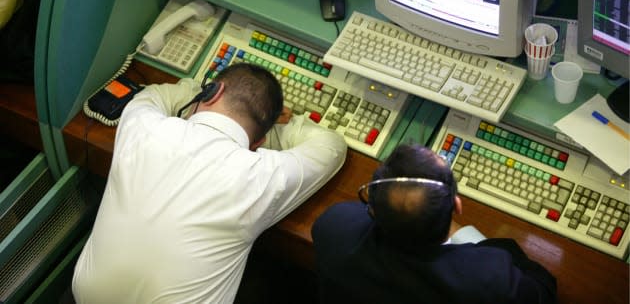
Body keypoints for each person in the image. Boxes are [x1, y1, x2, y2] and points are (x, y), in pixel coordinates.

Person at [72, 63, 347, 304]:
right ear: (258, 144)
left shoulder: (143, 126)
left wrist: (197, 89)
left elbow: (154, 94)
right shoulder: (262, 175)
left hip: (85, 297)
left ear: (212, 92)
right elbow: (332, 145)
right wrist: (278, 127)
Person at [311, 144, 557, 304]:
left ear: (372, 208)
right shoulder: (489, 276)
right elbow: (543, 289)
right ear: (457, 207)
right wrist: (472, 236)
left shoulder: (335, 226)